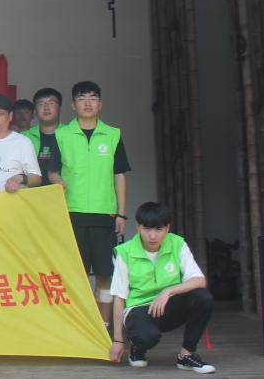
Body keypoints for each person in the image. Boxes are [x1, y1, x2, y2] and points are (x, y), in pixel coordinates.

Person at [50, 80, 131, 330]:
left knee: (106, 273)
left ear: (100, 104)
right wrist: (57, 181)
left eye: (93, 98)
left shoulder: (113, 134)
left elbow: (119, 175)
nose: (88, 103)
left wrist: (121, 214)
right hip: (72, 212)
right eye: (82, 98)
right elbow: (52, 171)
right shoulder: (61, 135)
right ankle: (85, 327)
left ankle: (103, 325)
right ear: (73, 105)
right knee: (78, 273)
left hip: (104, 214)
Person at [110, 202, 215, 374]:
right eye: (147, 229)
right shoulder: (125, 252)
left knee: (203, 297)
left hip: (168, 304)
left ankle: (186, 355)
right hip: (139, 309)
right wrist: (118, 341)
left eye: (158, 229)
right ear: (138, 227)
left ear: (167, 228)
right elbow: (119, 297)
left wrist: (168, 292)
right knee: (146, 337)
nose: (152, 236)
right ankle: (137, 346)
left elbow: (199, 280)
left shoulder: (177, 244)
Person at [21, 87, 64, 186]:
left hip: (64, 193)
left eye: (51, 103)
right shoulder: (23, 138)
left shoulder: (71, 135)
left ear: (60, 109)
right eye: (41, 104)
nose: (46, 107)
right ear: (35, 111)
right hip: (31, 194)